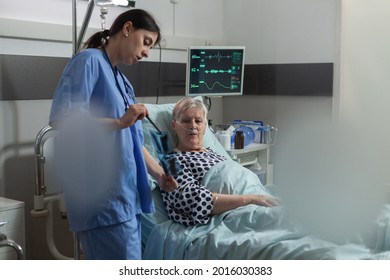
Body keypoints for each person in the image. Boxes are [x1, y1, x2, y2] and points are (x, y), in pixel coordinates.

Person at [49, 9, 177, 260]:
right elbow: (62, 119)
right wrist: (119, 122)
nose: (146, 52)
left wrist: (160, 175)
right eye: (146, 42)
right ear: (127, 29)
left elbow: (132, 141)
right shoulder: (88, 62)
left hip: (126, 199)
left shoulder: (122, 81)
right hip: (103, 202)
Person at [160, 97, 279, 227]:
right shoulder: (172, 161)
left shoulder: (214, 153)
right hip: (239, 210)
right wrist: (250, 200)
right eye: (186, 121)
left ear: (204, 127)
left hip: (258, 195)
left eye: (198, 121)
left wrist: (257, 197)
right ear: (174, 126)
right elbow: (192, 200)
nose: (193, 126)